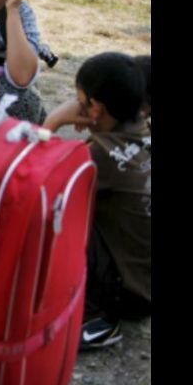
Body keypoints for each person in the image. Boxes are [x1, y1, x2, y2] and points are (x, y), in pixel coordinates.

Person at [43, 52, 150, 350]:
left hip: (130, 295)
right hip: (145, 282)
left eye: (81, 100)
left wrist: (53, 122)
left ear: (96, 108)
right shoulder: (142, 132)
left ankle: (96, 319)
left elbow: (37, 184)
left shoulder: (100, 154)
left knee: (56, 214)